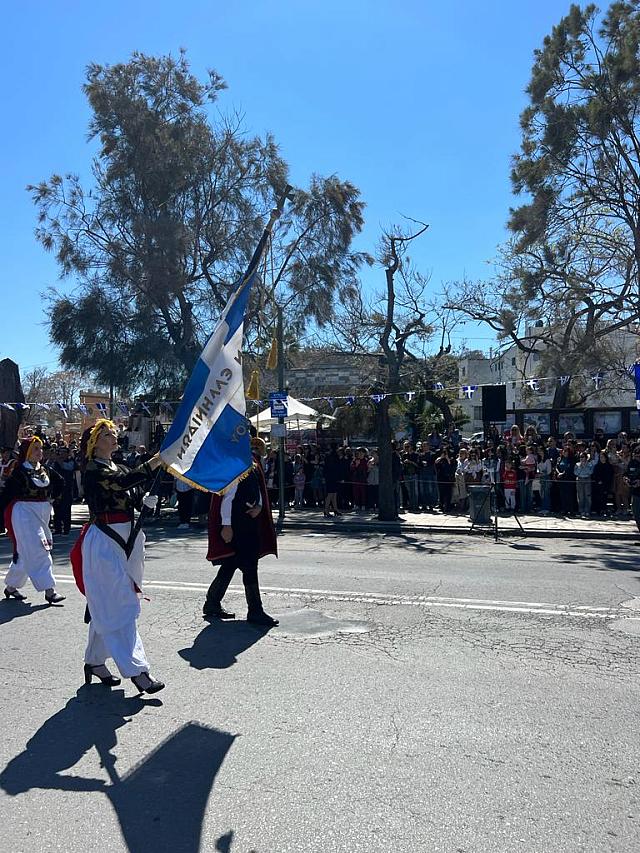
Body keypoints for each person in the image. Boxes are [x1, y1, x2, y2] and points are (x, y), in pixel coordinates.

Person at [71, 420, 164, 694]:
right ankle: (137, 670)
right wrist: (157, 461)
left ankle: (94, 661)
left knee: (107, 603)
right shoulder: (92, 470)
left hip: (130, 536)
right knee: (121, 602)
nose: (114, 438)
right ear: (94, 442)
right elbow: (122, 483)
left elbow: (130, 491)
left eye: (114, 434)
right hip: (105, 539)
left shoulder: (119, 466)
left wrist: (145, 501)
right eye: (108, 435)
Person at [203, 437, 278, 626]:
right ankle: (255, 610)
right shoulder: (237, 464)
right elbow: (227, 497)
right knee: (249, 565)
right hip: (239, 524)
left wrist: (260, 506)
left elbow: (258, 489)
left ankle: (212, 603)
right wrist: (226, 525)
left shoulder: (250, 463)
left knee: (231, 562)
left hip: (248, 520)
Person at [1, 437, 65, 604]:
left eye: (41, 448)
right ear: (27, 452)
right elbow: (6, 494)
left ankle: (11, 587)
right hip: (23, 513)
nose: (40, 452)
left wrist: (54, 498)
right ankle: (49, 590)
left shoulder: (45, 470)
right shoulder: (20, 471)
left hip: (42, 512)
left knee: (24, 552)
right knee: (40, 547)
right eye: (36, 448)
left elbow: (61, 483)